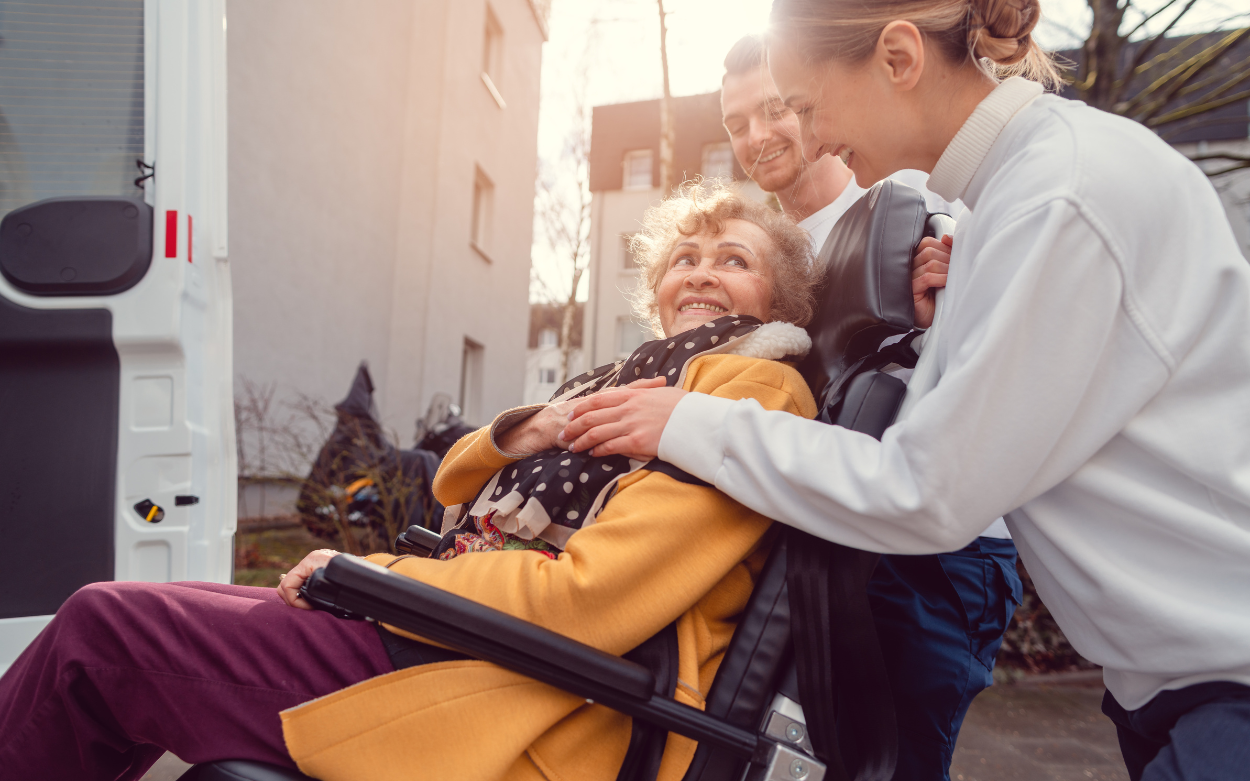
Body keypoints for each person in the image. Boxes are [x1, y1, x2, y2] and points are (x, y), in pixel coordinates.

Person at [561, 2, 1250, 780]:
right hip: (1166, 688)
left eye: (808, 107)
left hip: (1231, 681)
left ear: (897, 58)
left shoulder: (1061, 196)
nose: (811, 138)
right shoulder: (1011, 204)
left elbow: (923, 487)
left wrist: (689, 420)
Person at [0, 183, 825, 781]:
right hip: (456, 627)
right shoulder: (626, 376)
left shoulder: (749, 387)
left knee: (102, 632)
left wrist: (373, 578)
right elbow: (455, 481)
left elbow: (587, 600)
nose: (701, 272)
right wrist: (529, 427)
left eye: (733, 259)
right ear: (656, 287)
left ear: (777, 295)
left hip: (525, 685)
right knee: (116, 613)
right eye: (684, 257)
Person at [720, 33, 1020, 781]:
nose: (758, 136)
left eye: (777, 108)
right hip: (835, 531)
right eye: (735, 124)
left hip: (938, 547)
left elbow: (1008, 357)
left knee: (901, 762)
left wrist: (951, 306)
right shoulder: (768, 254)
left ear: (816, 103)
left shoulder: (911, 207)